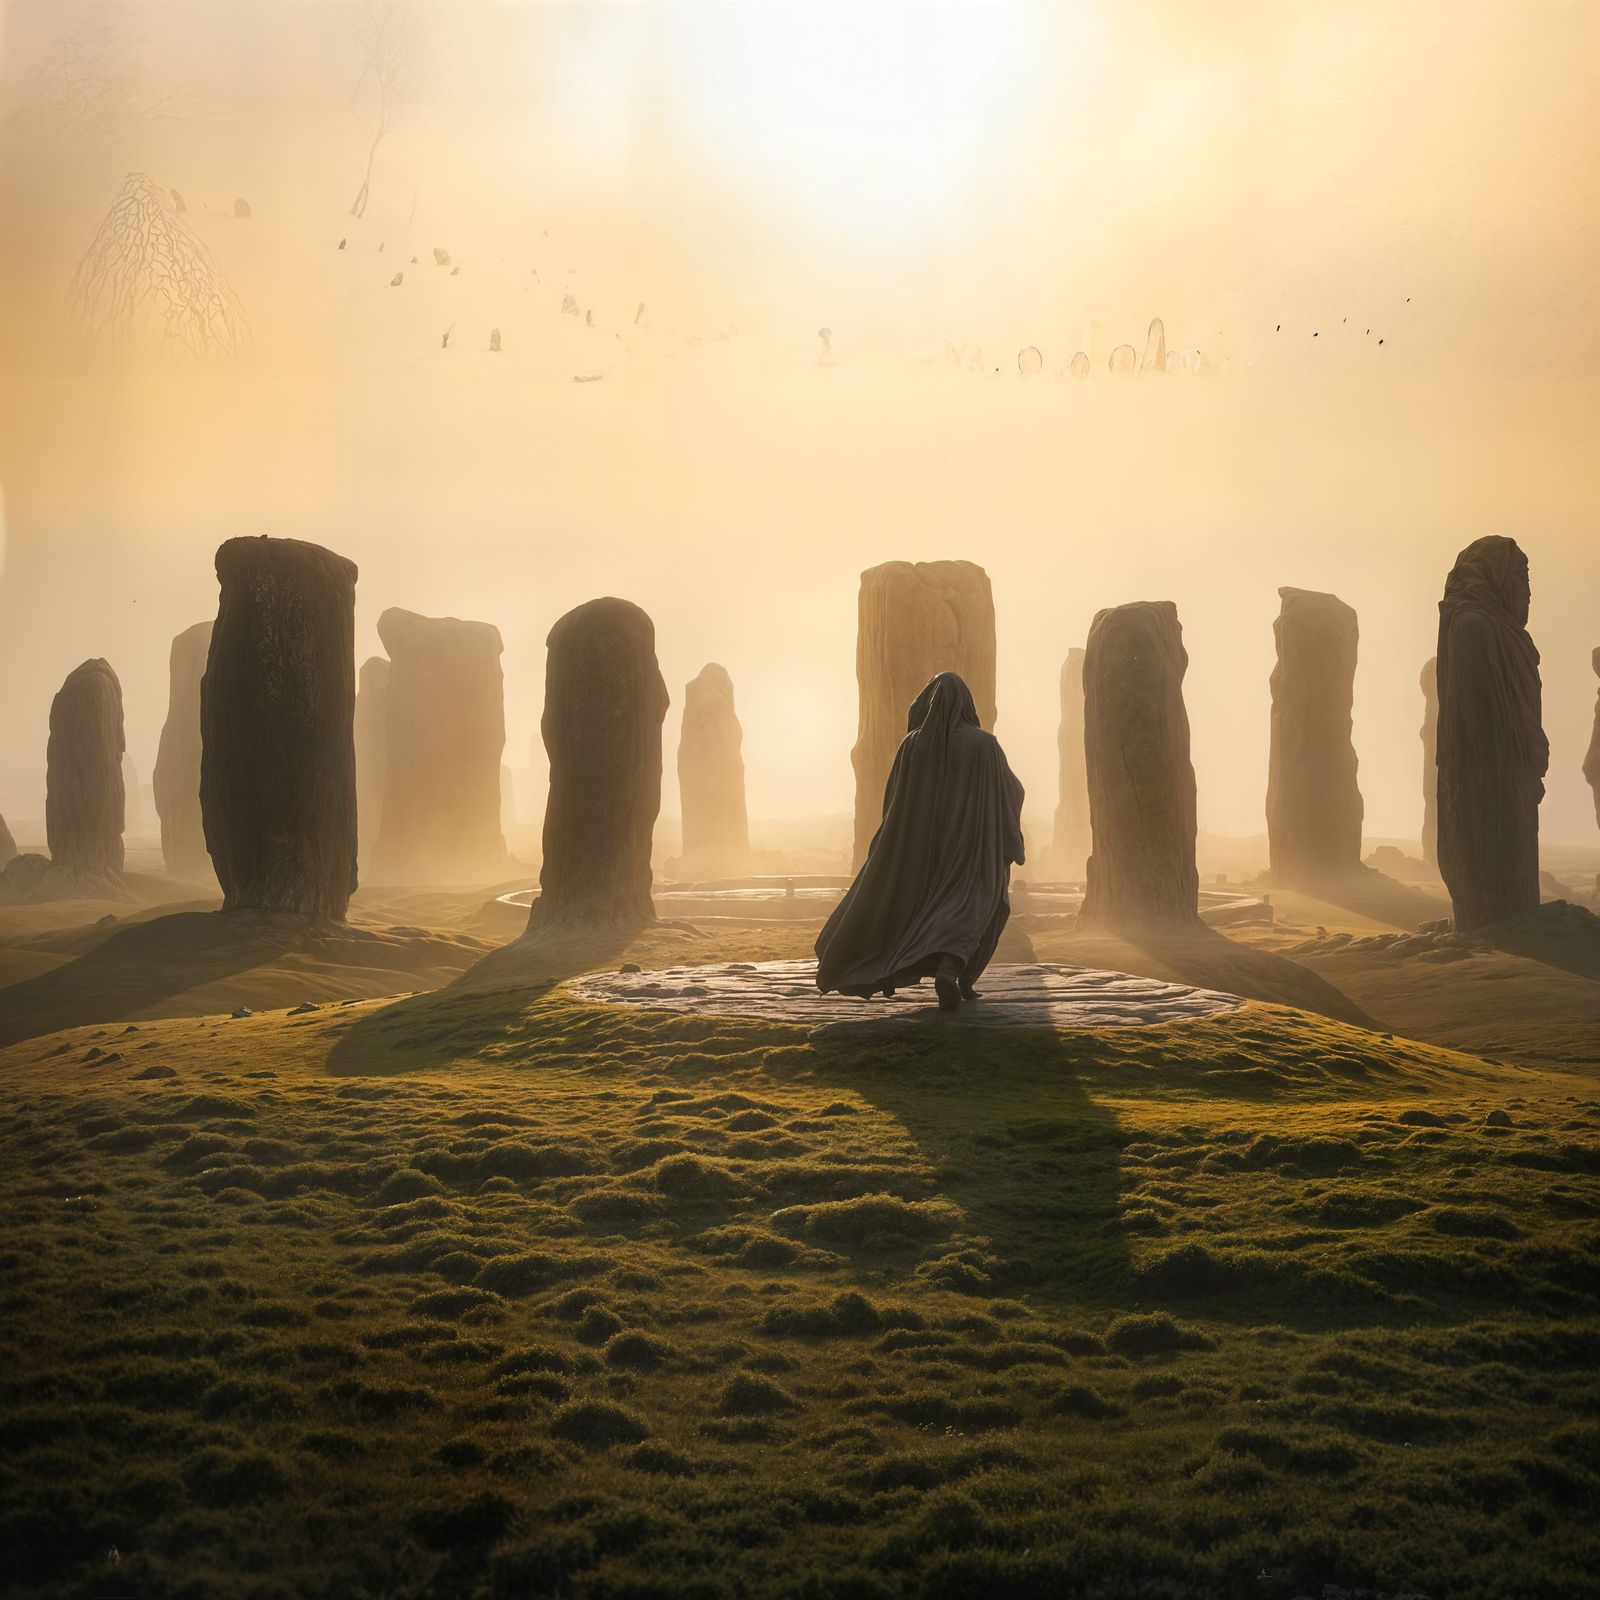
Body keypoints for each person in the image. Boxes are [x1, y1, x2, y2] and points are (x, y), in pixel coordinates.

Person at [816, 672, 1025, 1011]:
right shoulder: (985, 745)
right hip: (973, 851)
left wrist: (893, 849)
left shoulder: (912, 745)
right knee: (972, 906)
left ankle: (940, 973)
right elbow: (1011, 791)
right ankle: (952, 970)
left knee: (924, 908)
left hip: (923, 855)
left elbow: (894, 805)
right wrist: (1010, 839)